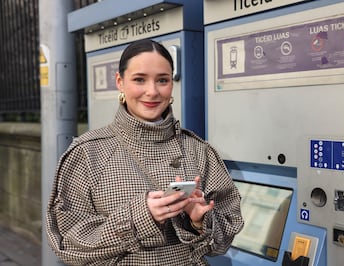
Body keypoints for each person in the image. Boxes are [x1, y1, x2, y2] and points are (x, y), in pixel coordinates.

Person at [46, 39, 244, 265]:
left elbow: (225, 237)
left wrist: (199, 221)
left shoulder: (198, 150)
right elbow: (66, 244)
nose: (152, 92)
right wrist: (140, 218)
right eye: (139, 80)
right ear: (120, 82)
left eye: (162, 80)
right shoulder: (87, 152)